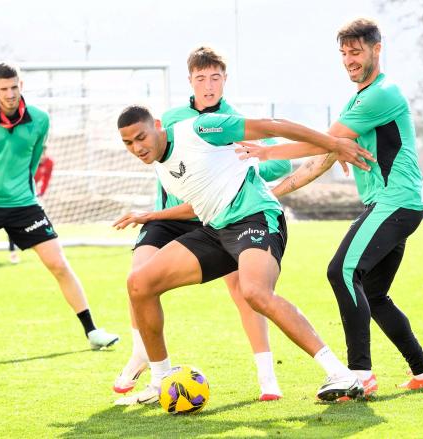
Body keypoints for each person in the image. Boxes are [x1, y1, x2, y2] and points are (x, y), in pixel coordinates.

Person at [116, 104, 375, 403]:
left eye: (140, 137)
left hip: (255, 216)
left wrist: (333, 144)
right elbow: (199, 204)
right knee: (139, 283)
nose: (137, 147)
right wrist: (152, 215)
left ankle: (341, 374)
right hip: (216, 229)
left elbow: (272, 124)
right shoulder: (163, 169)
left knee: (254, 292)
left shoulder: (200, 129)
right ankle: (161, 381)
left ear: (157, 126)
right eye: (128, 143)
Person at [252, 18, 423, 396]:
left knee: (341, 272)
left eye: (356, 52)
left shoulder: (381, 93)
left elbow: (320, 142)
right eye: (343, 54)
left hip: (396, 202)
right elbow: (326, 153)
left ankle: (359, 373)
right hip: (395, 203)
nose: (349, 61)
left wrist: (268, 151)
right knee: (373, 294)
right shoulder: (359, 100)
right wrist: (276, 191)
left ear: (377, 49)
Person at [112, 47, 291, 404]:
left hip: (215, 217)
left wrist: (247, 159)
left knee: (245, 293)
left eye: (215, 78)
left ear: (225, 80)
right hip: (168, 216)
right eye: (200, 78)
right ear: (190, 81)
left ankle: (267, 377)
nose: (208, 86)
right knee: (139, 277)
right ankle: (143, 356)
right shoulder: (170, 118)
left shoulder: (234, 121)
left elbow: (280, 165)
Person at [0, 63, 119, 358]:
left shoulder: (40, 120)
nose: (9, 94)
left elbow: (33, 163)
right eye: (3, 88)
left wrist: (25, 192)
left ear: (21, 86)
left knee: (59, 264)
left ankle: (93, 331)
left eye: (14, 87)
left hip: (24, 206)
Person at [8, 155, 54, 265]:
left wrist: (41, 193)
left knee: (42, 222)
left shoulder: (49, 162)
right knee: (11, 222)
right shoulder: (26, 159)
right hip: (16, 194)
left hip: (31, 196)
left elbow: (46, 179)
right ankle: (13, 252)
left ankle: (46, 251)